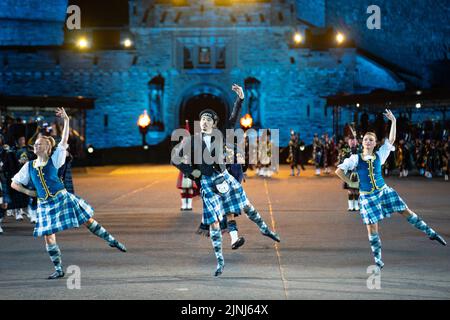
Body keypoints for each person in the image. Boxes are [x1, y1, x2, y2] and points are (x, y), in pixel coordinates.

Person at [172, 84, 280, 276]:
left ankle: (265, 229)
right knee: (214, 222)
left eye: (208, 119)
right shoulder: (192, 139)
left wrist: (240, 99)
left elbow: (232, 119)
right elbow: (175, 159)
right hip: (206, 182)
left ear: (214, 123)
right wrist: (193, 173)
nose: (204, 122)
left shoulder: (220, 135)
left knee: (247, 206)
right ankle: (220, 262)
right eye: (202, 119)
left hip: (224, 177)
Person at [11, 107, 127, 280]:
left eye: (39, 143)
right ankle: (58, 269)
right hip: (45, 203)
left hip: (62, 198)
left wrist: (66, 120)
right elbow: (14, 183)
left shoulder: (55, 159)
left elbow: (64, 141)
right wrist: (28, 191)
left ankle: (111, 240)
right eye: (35, 144)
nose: (35, 145)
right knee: (48, 236)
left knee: (87, 220)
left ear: (48, 147)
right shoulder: (28, 166)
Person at [335, 109, 446, 270]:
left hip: (384, 192)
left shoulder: (381, 154)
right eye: (365, 139)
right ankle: (378, 259)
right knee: (372, 229)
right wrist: (352, 184)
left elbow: (392, 139)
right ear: (362, 142)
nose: (368, 141)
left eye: (371, 140)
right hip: (367, 197)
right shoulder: (355, 158)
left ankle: (431, 233)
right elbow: (339, 171)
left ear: (375, 143)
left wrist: (393, 121)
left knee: (406, 211)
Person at [176, 120, 199, 211]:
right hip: (183, 171)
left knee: (189, 189)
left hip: (190, 170)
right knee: (183, 189)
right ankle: (183, 205)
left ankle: (189, 205)